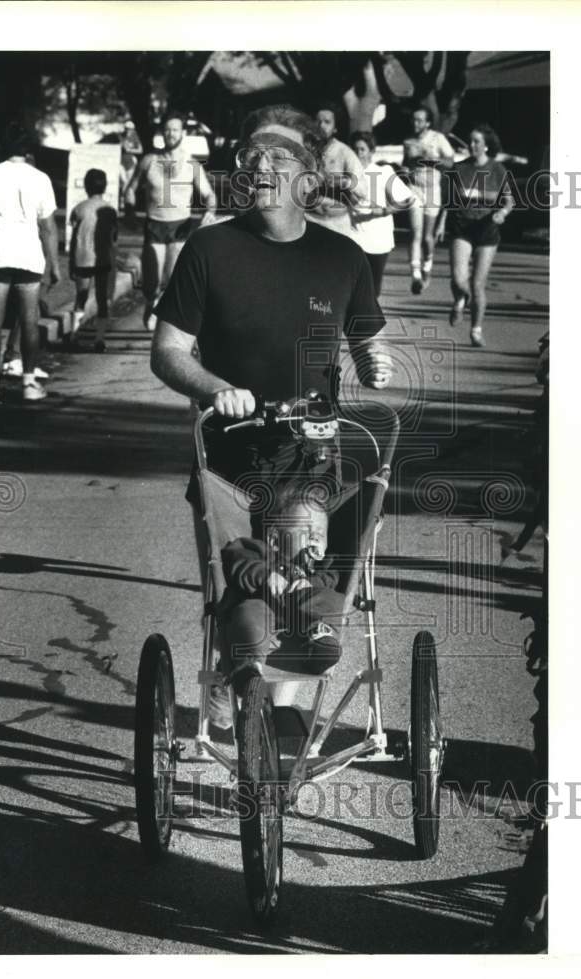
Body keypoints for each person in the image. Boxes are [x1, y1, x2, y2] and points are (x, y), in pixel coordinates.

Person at [149, 103, 392, 703]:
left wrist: (374, 363)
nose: (259, 166)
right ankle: (248, 694)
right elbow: (168, 351)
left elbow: (366, 336)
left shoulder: (342, 257)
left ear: (308, 178)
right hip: (227, 450)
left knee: (296, 571)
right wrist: (215, 389)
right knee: (239, 585)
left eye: (277, 157)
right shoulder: (208, 250)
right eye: (249, 156)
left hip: (307, 451)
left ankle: (274, 717)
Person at [209, 485, 344, 726]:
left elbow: (331, 581)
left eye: (320, 534)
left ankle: (322, 645)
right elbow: (235, 557)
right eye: (304, 530)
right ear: (274, 539)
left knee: (334, 601)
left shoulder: (325, 568)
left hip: (303, 631)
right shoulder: (259, 552)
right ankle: (245, 671)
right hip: (261, 611)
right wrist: (266, 575)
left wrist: (309, 582)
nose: (313, 537)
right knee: (248, 614)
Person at [0, 126, 60, 402]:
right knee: (29, 320)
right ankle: (29, 383)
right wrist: (55, 263)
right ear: (28, 150)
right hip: (29, 256)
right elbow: (48, 227)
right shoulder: (40, 178)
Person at [136, 110, 218, 331]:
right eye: (167, 130)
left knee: (171, 280)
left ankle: (165, 322)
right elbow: (130, 189)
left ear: (182, 133)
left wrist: (209, 211)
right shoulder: (149, 161)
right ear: (162, 133)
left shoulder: (192, 165)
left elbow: (210, 195)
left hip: (180, 226)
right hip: (154, 224)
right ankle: (150, 301)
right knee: (151, 282)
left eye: (175, 130)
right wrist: (127, 212)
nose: (171, 134)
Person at [443, 123, 515, 347]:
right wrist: (438, 226)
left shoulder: (497, 170)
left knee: (477, 284)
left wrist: (502, 213)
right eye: (470, 141)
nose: (471, 145)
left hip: (486, 231)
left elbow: (509, 200)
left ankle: (476, 330)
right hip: (461, 228)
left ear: (486, 146)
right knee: (458, 278)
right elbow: (449, 202)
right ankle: (459, 300)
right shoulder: (458, 168)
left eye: (476, 142)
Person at [349, 130, 418, 297]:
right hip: (353, 237)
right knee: (353, 286)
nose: (358, 154)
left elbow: (408, 200)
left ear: (372, 152)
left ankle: (367, 319)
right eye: (355, 150)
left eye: (362, 149)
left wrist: (385, 210)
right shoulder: (347, 175)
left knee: (373, 288)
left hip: (378, 240)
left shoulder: (383, 172)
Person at [400, 106, 454, 294]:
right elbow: (406, 164)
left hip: (432, 190)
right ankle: (415, 275)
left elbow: (450, 162)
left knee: (427, 237)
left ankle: (427, 268)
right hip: (415, 188)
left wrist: (430, 160)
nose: (416, 123)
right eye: (414, 120)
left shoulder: (438, 139)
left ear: (428, 122)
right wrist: (405, 171)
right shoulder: (408, 141)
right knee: (415, 232)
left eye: (420, 120)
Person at [69, 167, 119, 352]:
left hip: (82, 258)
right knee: (101, 299)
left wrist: (70, 263)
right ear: (105, 187)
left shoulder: (78, 208)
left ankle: (74, 333)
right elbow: (114, 238)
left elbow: (74, 237)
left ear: (85, 186)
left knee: (81, 297)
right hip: (103, 260)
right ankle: (99, 338)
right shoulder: (110, 210)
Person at [305, 102, 368, 243]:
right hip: (308, 221)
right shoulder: (304, 151)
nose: (321, 125)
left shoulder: (345, 153)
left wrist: (345, 182)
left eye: (327, 122)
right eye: (317, 121)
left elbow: (363, 189)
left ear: (335, 128)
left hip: (337, 225)